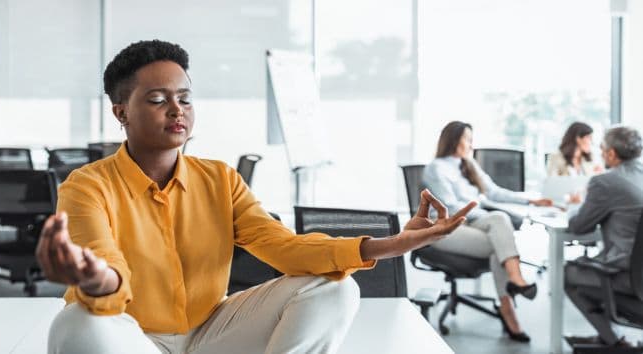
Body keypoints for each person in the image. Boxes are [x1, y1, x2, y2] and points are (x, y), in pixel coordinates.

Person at [36, 40, 476, 354]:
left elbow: (284, 248)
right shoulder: (87, 186)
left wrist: (396, 243)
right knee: (74, 323)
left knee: (333, 288)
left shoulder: (220, 178)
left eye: (185, 98)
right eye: (157, 99)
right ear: (121, 112)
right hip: (131, 337)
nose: (177, 110)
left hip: (211, 333)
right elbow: (105, 264)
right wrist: (95, 278)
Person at [422, 121, 553, 343]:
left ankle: (511, 294)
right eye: (467, 138)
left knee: (499, 230)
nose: (471, 144)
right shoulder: (437, 168)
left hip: (471, 224)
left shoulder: (468, 165)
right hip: (444, 230)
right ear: (453, 139)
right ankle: (510, 301)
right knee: (499, 236)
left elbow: (494, 192)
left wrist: (531, 200)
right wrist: (484, 212)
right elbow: (451, 209)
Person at [564, 126, 643, 346]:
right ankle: (608, 336)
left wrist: (573, 207)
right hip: (638, 273)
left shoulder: (606, 182)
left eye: (602, 149)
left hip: (629, 278)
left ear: (610, 154)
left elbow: (578, 226)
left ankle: (613, 342)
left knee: (567, 274)